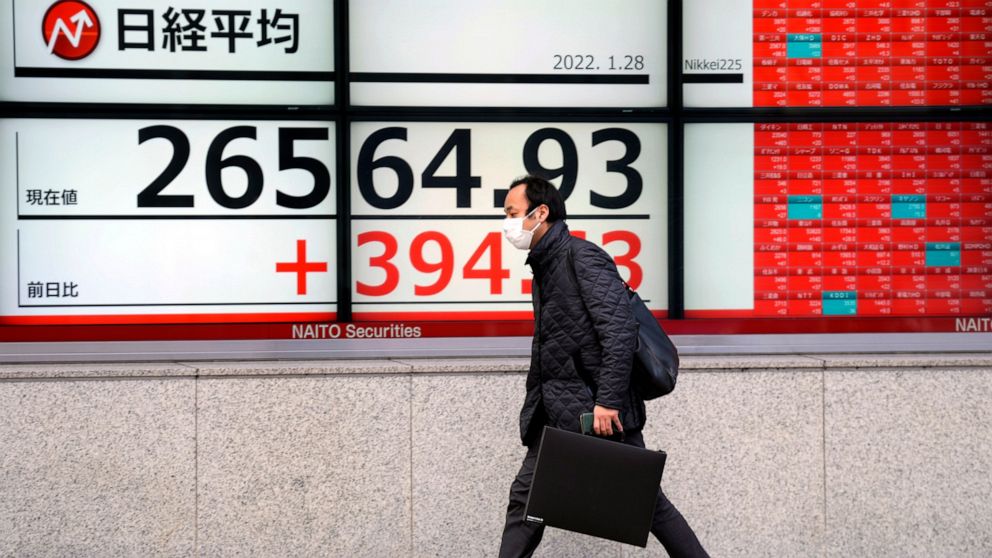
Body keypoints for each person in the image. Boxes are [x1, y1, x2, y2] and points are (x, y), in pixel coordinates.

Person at [497, 175, 708, 558]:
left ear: (540, 212)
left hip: (597, 413)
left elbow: (620, 331)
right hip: (558, 412)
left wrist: (608, 402)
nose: (507, 223)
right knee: (524, 505)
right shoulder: (545, 266)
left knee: (651, 506)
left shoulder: (582, 257)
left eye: (512, 213)